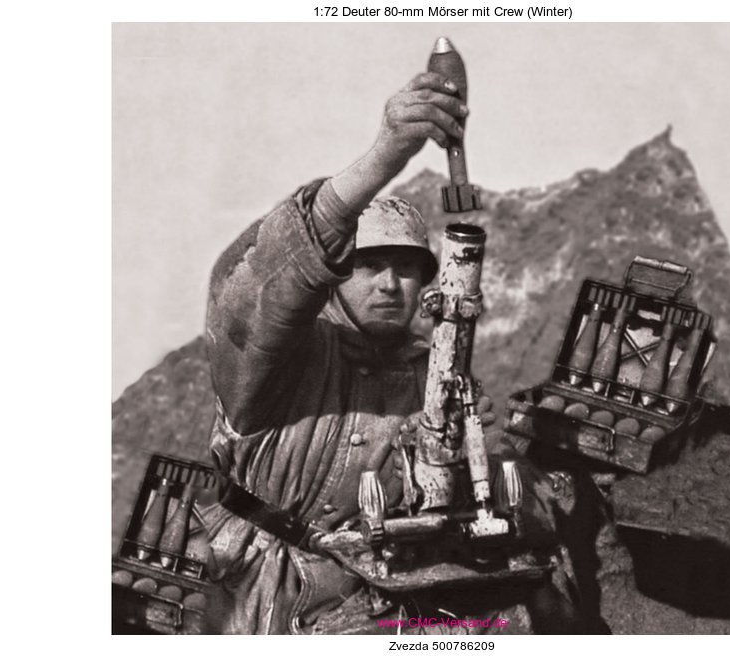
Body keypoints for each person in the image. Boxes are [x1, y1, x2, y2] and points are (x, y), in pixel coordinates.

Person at [201, 71, 610, 635]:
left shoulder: (433, 373)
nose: (391, 285)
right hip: (259, 594)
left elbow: (473, 513)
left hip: (381, 598)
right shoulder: (278, 358)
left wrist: (463, 460)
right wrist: (387, 153)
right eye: (370, 266)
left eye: (407, 269)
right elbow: (257, 290)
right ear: (334, 276)